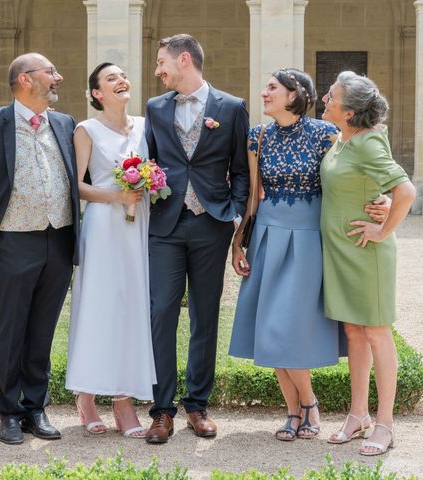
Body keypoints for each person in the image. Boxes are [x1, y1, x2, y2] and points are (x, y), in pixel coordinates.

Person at [144, 34, 249, 444]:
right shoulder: (155, 108)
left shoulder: (232, 107)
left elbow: (240, 168)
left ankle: (197, 405)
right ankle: (161, 411)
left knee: (206, 316)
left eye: (161, 63)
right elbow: (151, 161)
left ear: (183, 60)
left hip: (211, 224)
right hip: (165, 225)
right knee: (161, 314)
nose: (157, 71)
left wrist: (236, 214)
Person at [229, 69, 344, 441]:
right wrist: (238, 243)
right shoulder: (257, 136)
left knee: (288, 325)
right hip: (266, 238)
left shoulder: (326, 134)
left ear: (295, 95)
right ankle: (293, 411)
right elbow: (252, 195)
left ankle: (308, 402)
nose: (264, 93)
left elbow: (341, 187)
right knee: (268, 326)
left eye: (272, 88)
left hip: (309, 240)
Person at [0, 53, 81, 445]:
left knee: (43, 330)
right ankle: (9, 413)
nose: (59, 77)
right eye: (50, 72)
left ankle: (36, 407)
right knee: (12, 328)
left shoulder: (65, 123)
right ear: (25, 80)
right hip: (13, 239)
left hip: (60, 237)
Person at [320, 71, 415, 456]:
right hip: (343, 251)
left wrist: (383, 229)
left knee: (376, 333)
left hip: (366, 252)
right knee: (355, 333)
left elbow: (405, 190)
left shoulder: (368, 142)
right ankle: (358, 415)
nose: (324, 98)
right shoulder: (344, 139)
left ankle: (386, 423)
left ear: (349, 109)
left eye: (331, 95)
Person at [66, 62, 156, 438]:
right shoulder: (86, 130)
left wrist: (150, 183)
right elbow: (77, 185)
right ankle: (86, 396)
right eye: (110, 79)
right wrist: (115, 195)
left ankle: (124, 400)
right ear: (97, 94)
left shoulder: (144, 125)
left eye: (122, 75)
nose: (121, 81)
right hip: (103, 225)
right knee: (99, 307)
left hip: (137, 226)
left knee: (132, 308)